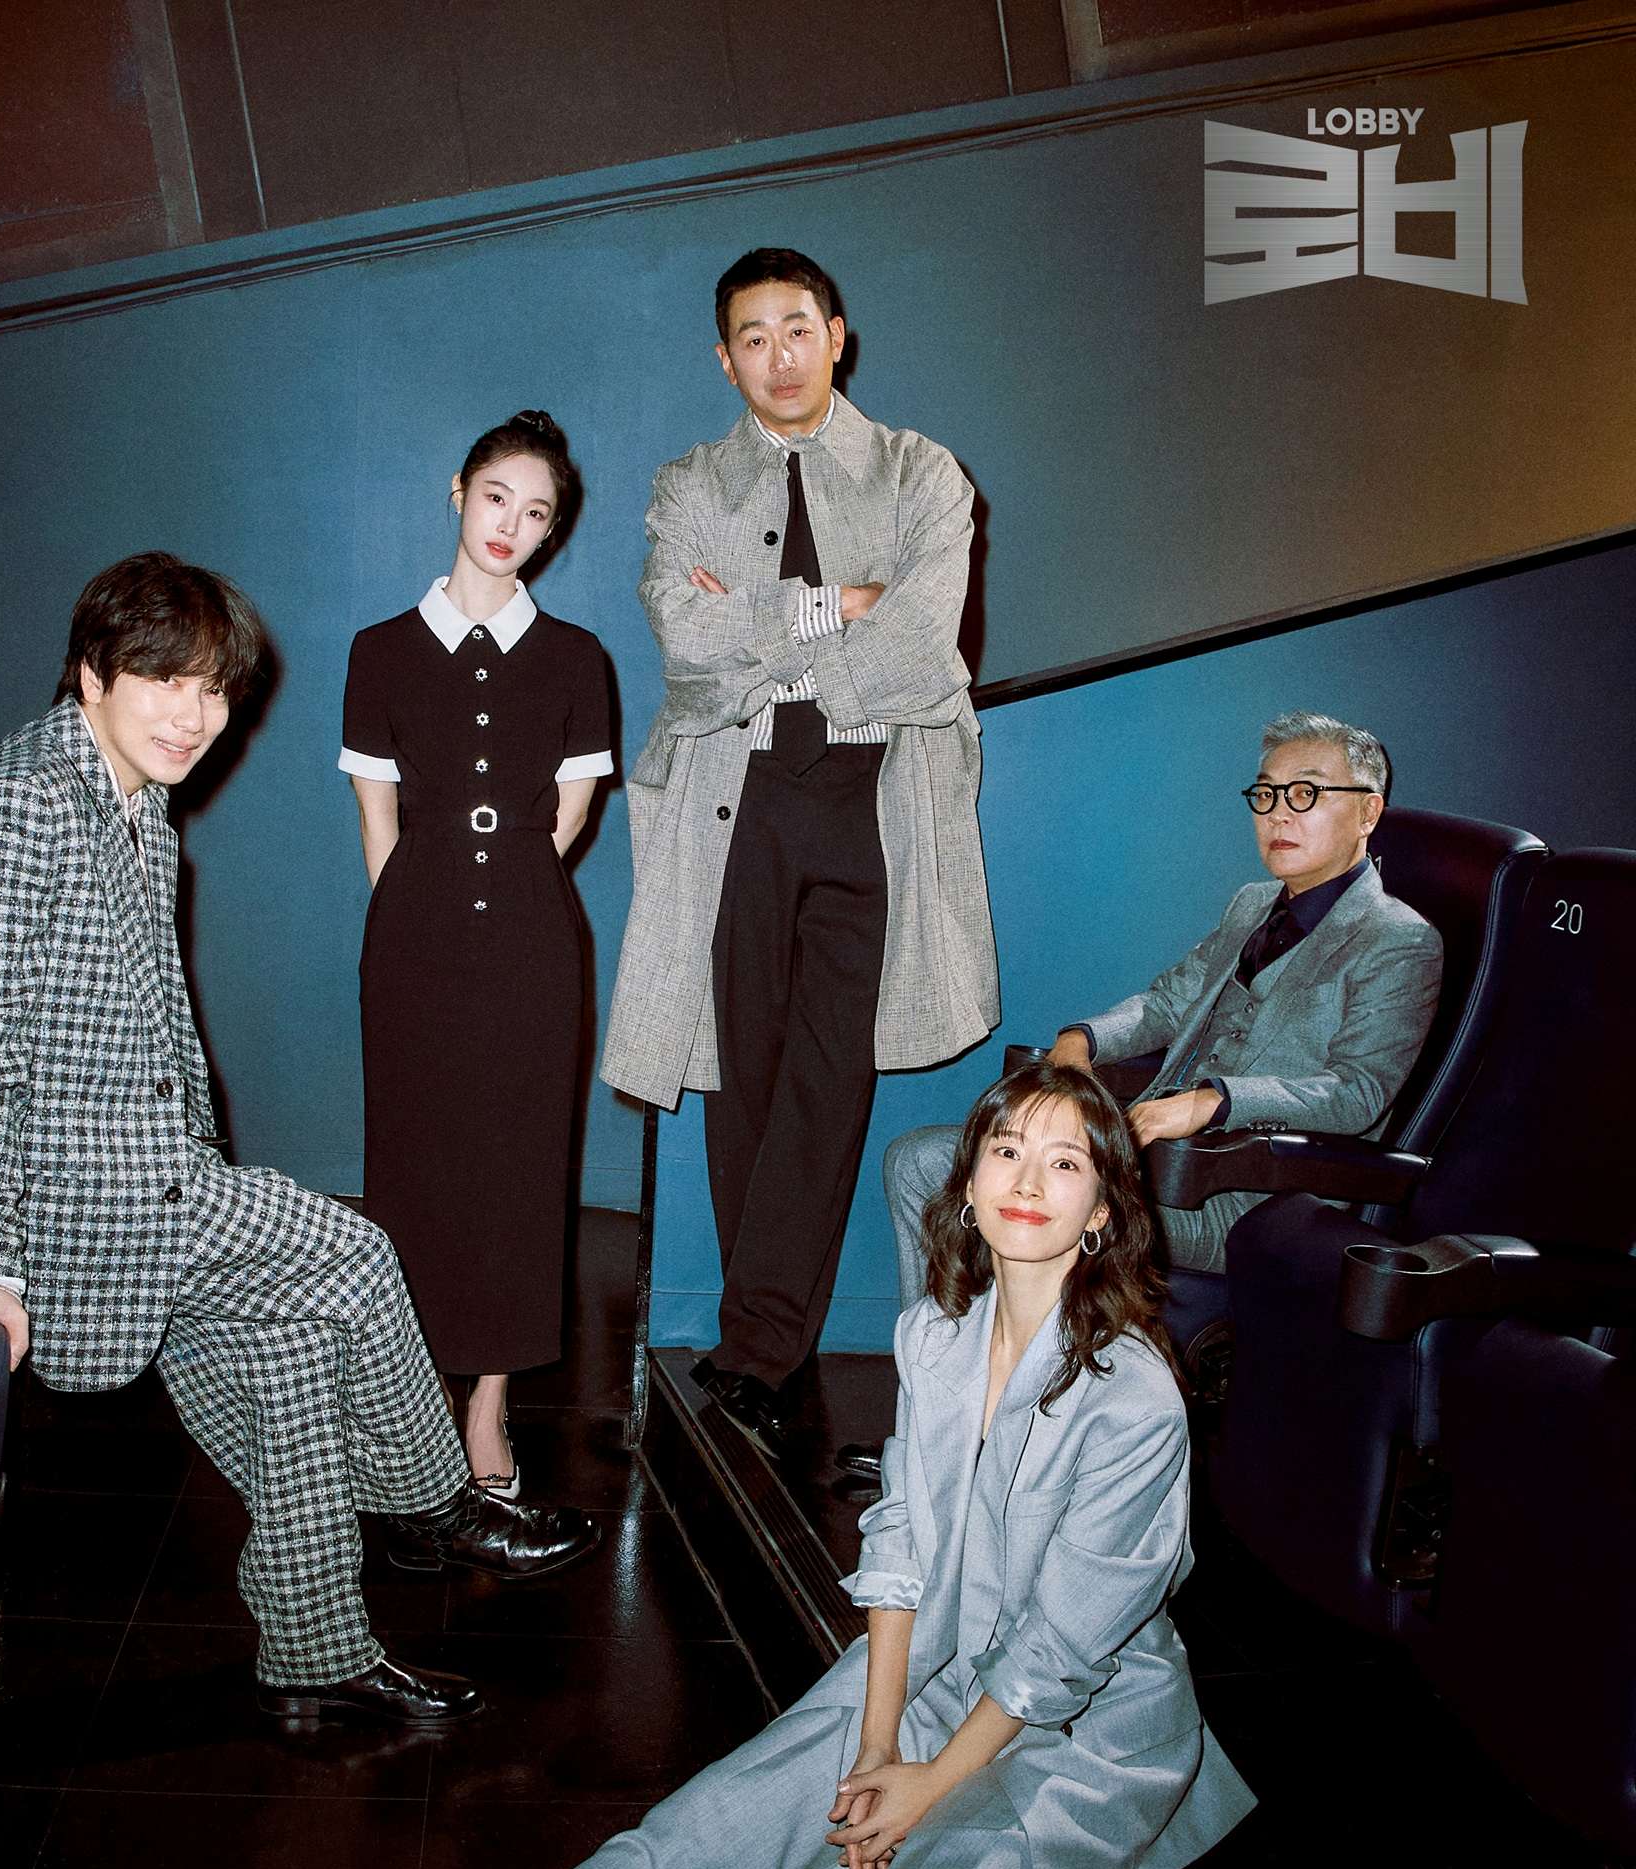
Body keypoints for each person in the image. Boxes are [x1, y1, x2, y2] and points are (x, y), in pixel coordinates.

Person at [238, 1062, 1254, 1869]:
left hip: (1085, 1740)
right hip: (940, 1675)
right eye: (1008, 1147)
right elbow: (901, 1549)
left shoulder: (1134, 1397)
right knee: (709, 1834)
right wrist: (875, 1745)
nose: (1027, 1179)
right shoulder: (939, 1336)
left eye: (1066, 1162)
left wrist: (925, 1787)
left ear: (1105, 1211)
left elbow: (1061, 1652)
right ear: (968, 1177)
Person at [0, 551, 599, 1739]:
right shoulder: (23, 802)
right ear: (92, 672)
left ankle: (317, 1656)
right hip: (73, 1204)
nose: (193, 715)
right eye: (163, 679)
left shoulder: (135, 806)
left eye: (212, 689)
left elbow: (161, 1025)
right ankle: (439, 1501)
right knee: (357, 1255)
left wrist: (202, 1161)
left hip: (155, 1179)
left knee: (294, 1368)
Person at [599, 246, 996, 1442]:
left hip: (872, 801)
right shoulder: (687, 485)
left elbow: (923, 647)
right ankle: (757, 1335)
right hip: (736, 801)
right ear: (724, 361)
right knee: (744, 1075)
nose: (777, 356)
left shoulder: (920, 472)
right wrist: (838, 605)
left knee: (829, 1076)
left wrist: (764, 633)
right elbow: (685, 644)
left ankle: (758, 1345)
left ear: (836, 335)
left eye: (795, 329)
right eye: (750, 338)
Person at [880, 707, 1444, 1311]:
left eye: (1305, 793)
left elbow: (1356, 1092)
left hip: (1244, 1198)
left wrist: (1214, 1101)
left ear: (1368, 812)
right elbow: (1167, 1003)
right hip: (1144, 1163)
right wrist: (1083, 1040)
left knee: (1034, 1202)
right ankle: (944, 1355)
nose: (1279, 813)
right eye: (1266, 794)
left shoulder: (1399, 941)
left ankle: (1017, 1359)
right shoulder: (1252, 904)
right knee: (918, 1161)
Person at [340, 412, 612, 1498]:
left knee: (517, 1172)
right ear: (459, 491)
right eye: (498, 497)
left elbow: (568, 819)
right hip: (412, 947)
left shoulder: (577, 659)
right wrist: (426, 920)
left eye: (536, 514)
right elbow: (378, 823)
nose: (511, 525)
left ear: (550, 533)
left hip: (535, 953)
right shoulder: (379, 651)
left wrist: (503, 910)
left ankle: (487, 1404)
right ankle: (405, 1401)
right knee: (412, 1169)